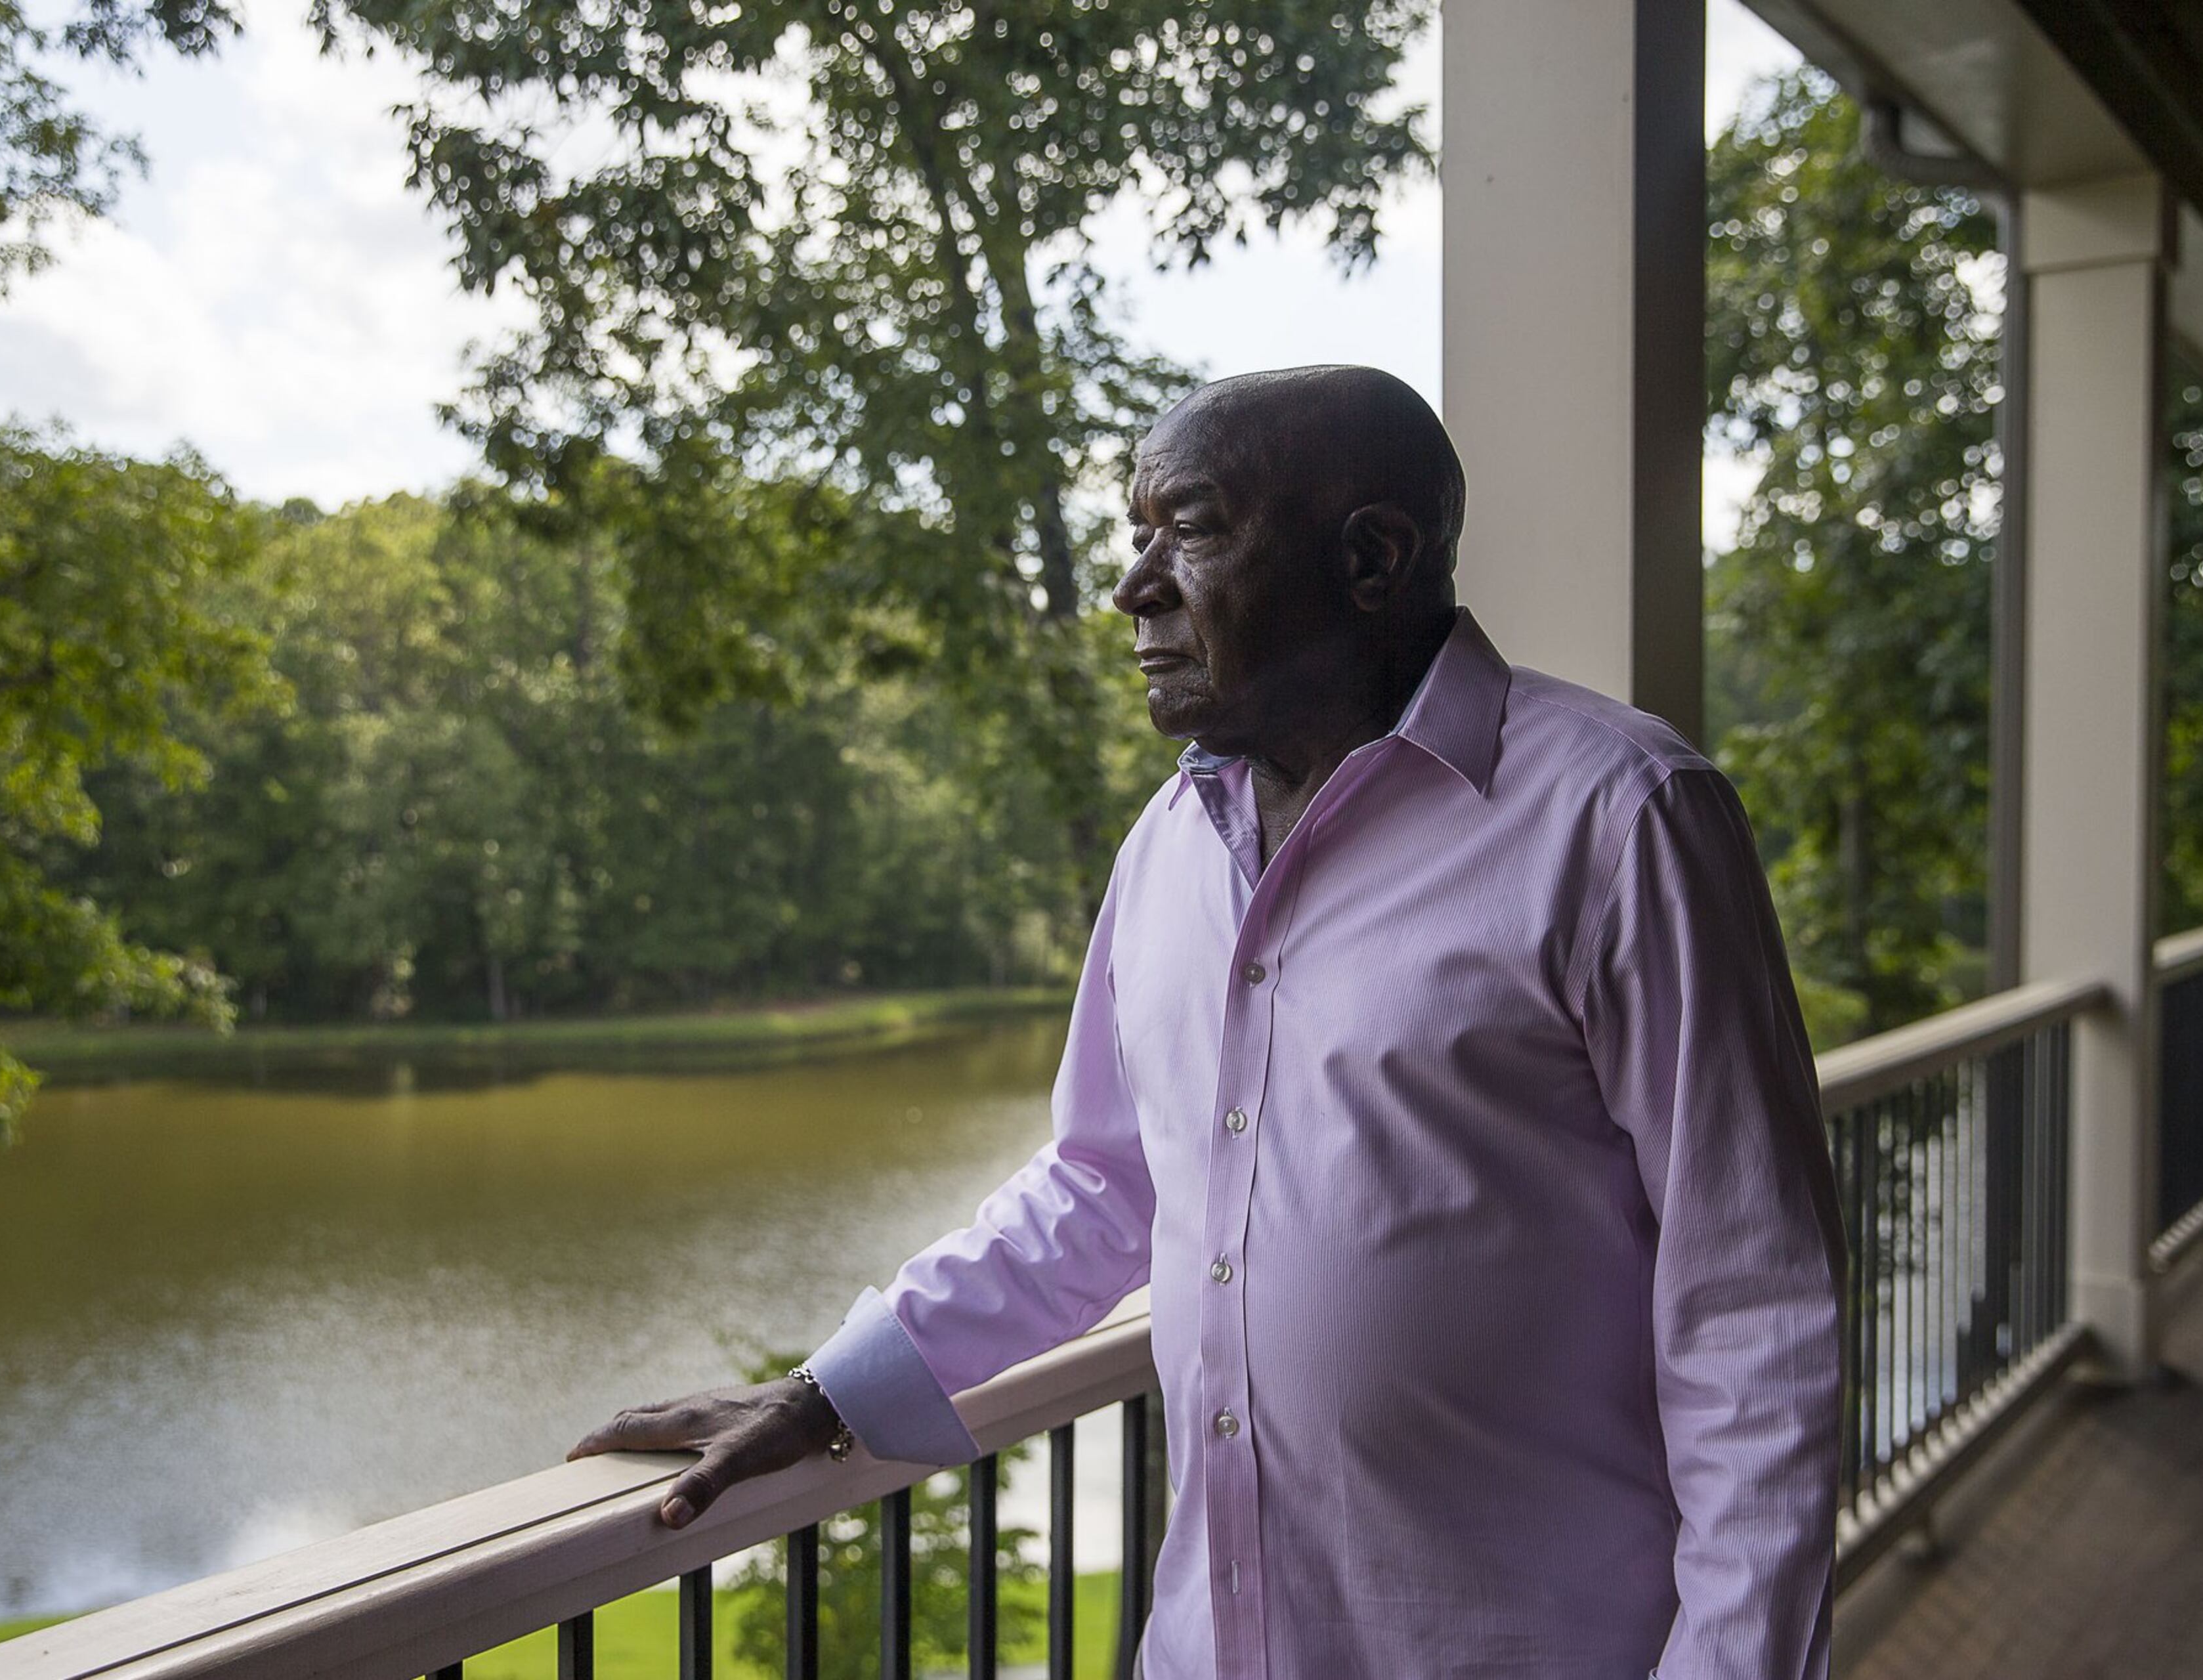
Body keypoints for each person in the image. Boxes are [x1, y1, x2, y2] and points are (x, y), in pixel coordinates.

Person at [572, 366, 1848, 1679]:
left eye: (1185, 530)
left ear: (1373, 556)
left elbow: (1752, 1307)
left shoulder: (1621, 818)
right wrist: (831, 1390)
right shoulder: (1171, 842)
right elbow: (1101, 1181)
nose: (1131, 588)